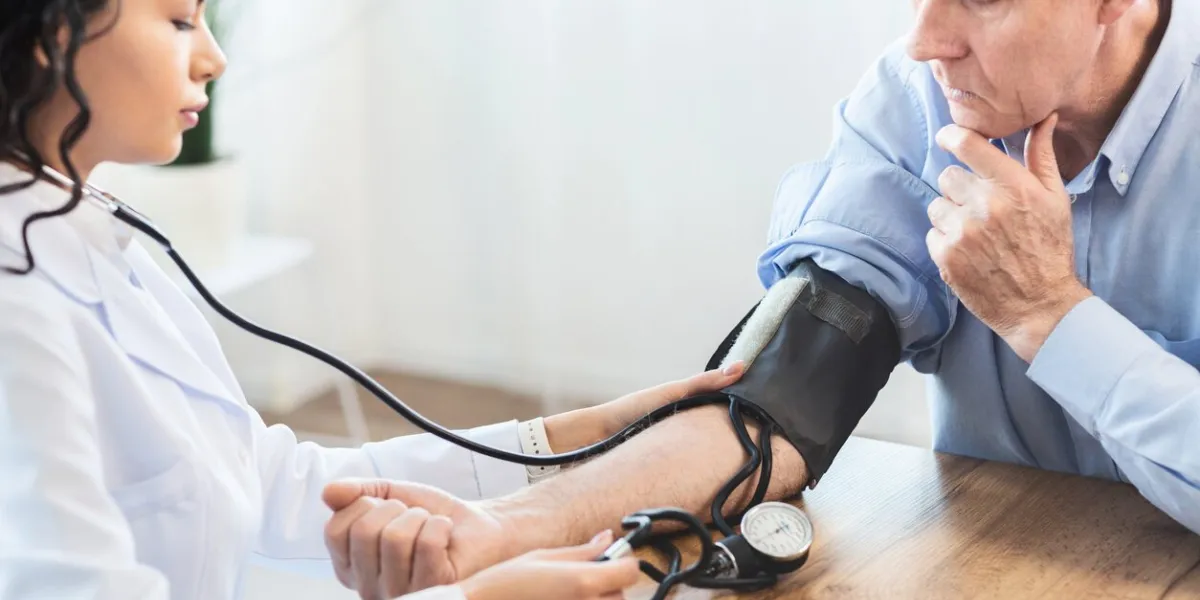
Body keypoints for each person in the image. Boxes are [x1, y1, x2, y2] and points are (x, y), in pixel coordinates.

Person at [325, 0, 1200, 596]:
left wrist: (1048, 314)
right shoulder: (915, 98)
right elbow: (778, 399)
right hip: (990, 559)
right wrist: (509, 526)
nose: (928, 38)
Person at [0, 2, 749, 599]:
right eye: (177, 19)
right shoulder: (17, 303)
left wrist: (572, 436)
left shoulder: (89, 235)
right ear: (50, 29)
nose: (213, 57)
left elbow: (259, 478)